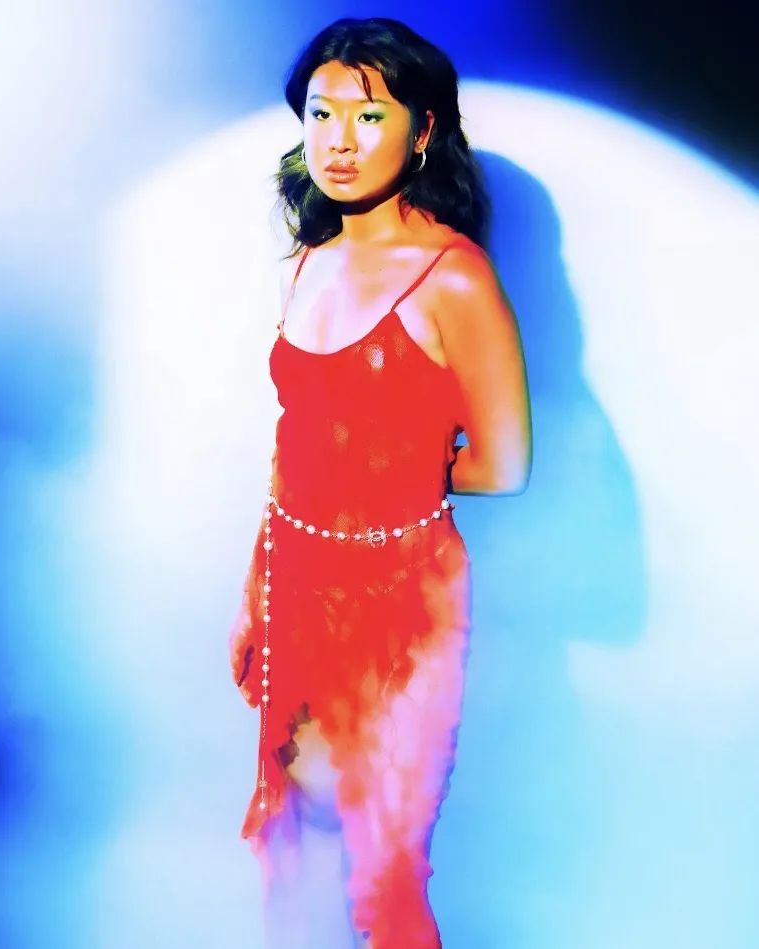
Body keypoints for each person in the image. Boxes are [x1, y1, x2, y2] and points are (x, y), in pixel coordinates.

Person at [228, 17, 531, 949]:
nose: (338, 140)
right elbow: (294, 443)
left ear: (423, 128)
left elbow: (503, 464)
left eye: (368, 116)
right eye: (321, 114)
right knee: (297, 829)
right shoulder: (307, 262)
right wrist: (255, 589)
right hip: (293, 581)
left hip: (404, 600)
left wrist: (386, 477)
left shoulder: (454, 278)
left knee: (385, 866)